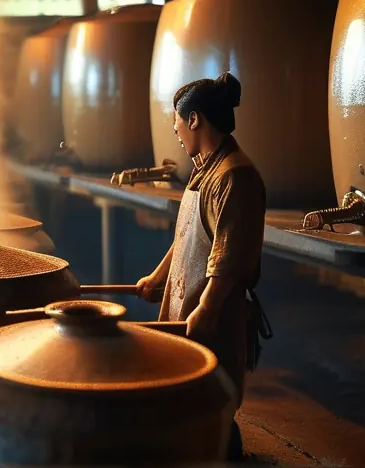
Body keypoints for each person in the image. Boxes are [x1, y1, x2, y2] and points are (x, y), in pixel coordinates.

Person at [136, 73, 271, 461]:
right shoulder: (206, 168)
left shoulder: (235, 176)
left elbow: (228, 255)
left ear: (194, 119)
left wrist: (208, 309)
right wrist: (158, 277)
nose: (175, 131)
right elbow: (188, 238)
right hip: (188, 298)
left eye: (177, 121)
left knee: (214, 391)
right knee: (185, 389)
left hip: (215, 306)